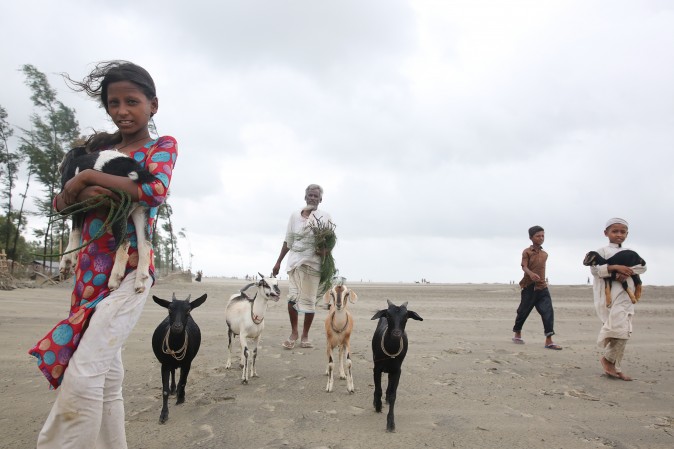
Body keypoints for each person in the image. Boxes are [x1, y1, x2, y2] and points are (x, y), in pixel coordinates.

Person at [29, 61, 178, 448]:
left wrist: (88, 179)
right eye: (114, 103)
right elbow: (61, 204)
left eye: (132, 101)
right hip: (87, 277)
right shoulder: (97, 150)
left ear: (153, 105)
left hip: (129, 274)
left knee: (83, 375)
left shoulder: (161, 147)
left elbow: (153, 190)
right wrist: (87, 188)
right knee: (107, 378)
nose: (122, 110)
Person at [272, 184, 333, 349]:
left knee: (310, 301)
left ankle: (305, 335)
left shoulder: (325, 217)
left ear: (321, 199)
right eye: (310, 195)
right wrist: (278, 262)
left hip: (314, 265)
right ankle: (294, 332)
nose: (313, 198)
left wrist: (324, 252)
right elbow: (288, 241)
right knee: (292, 298)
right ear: (305, 197)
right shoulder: (294, 216)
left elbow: (330, 242)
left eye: (316, 196)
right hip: (295, 263)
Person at [589, 218, 647, 381]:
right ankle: (612, 364)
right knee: (617, 330)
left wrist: (627, 271)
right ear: (606, 233)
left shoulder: (631, 252)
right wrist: (614, 268)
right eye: (615, 231)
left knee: (623, 330)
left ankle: (611, 363)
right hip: (606, 296)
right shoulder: (602, 252)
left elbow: (642, 266)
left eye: (622, 232)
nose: (619, 235)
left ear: (627, 234)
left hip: (625, 295)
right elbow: (595, 270)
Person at [512, 225, 562, 349]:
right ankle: (517, 332)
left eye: (542, 236)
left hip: (542, 287)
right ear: (531, 237)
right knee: (523, 311)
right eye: (538, 236)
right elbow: (524, 266)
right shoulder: (527, 252)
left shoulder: (545, 254)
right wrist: (531, 274)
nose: (541, 238)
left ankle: (549, 340)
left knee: (548, 312)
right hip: (529, 287)